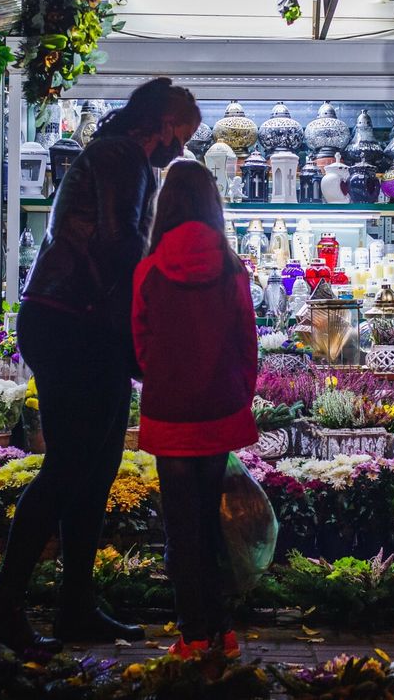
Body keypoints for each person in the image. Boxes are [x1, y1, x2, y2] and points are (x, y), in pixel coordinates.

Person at [0, 78, 202, 653]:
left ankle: (74, 606)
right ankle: (5, 605)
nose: (184, 148)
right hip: (71, 321)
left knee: (93, 469)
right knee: (70, 467)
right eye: (185, 134)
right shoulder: (123, 154)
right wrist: (153, 308)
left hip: (70, 320)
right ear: (166, 124)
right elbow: (119, 245)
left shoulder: (115, 153)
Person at [132, 159, 258, 658]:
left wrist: (163, 379)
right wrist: (237, 394)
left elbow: (140, 344)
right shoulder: (231, 268)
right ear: (212, 205)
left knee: (181, 529)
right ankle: (224, 631)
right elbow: (247, 342)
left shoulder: (148, 268)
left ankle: (193, 634)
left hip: (169, 412)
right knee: (214, 523)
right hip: (219, 409)